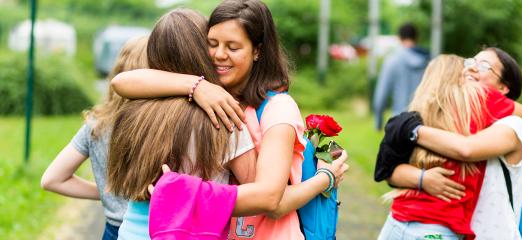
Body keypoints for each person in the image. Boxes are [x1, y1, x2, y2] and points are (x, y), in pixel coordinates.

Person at [110, 2, 348, 239]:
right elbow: (121, 81)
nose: (218, 54)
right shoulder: (217, 107)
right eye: (211, 44)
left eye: (232, 47)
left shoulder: (138, 110)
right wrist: (197, 86)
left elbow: (269, 198)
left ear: (257, 50)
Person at [376, 48, 522, 239]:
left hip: (475, 231)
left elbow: (466, 149)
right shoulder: (438, 114)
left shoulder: (506, 119)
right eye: (470, 62)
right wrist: (422, 178)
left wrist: (413, 131)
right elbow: (388, 172)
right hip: (414, 222)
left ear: (503, 89)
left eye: (484, 66)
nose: (472, 69)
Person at [40, 36, 148, 240]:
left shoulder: (96, 125)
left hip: (112, 231)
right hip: (149, 231)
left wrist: (105, 193)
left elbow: (52, 179)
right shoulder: (161, 125)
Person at [372, 22, 430, 130]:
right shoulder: (429, 60)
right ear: (416, 37)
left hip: (400, 123)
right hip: (425, 123)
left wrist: (378, 123)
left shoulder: (392, 60)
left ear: (399, 38)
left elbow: (381, 95)